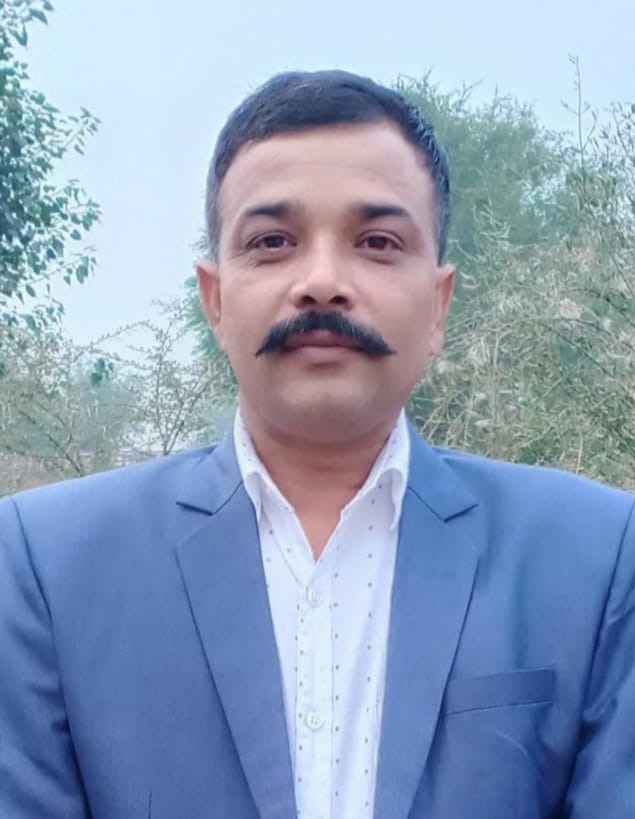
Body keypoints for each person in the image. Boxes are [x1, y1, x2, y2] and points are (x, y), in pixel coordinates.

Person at [1, 70, 633, 819]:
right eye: (272, 242)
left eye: (377, 241)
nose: (323, 281)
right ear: (215, 300)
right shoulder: (44, 564)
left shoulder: (596, 555)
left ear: (439, 305)